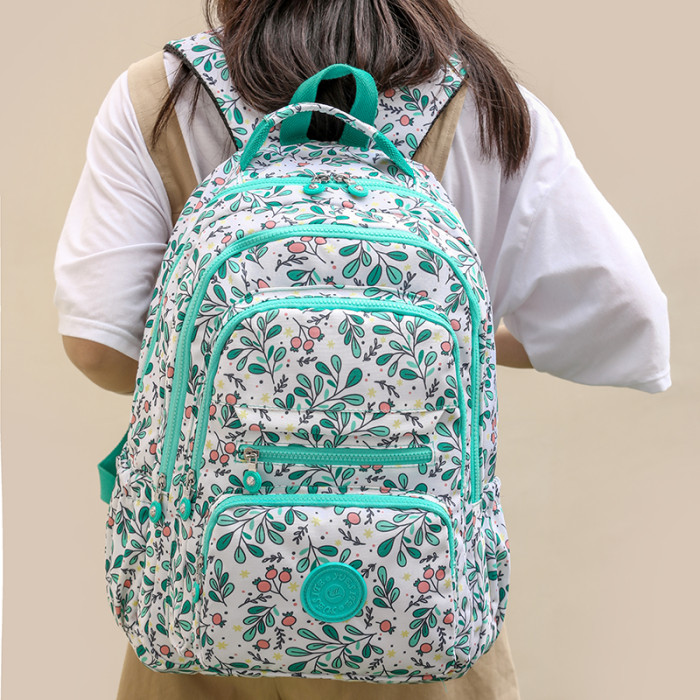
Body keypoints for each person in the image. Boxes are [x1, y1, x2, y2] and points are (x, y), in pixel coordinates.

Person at [54, 1, 671, 698]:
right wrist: (463, 347)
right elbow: (626, 318)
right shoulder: (490, 106)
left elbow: (97, 345)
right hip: (422, 613)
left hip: (206, 610)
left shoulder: (162, 95)